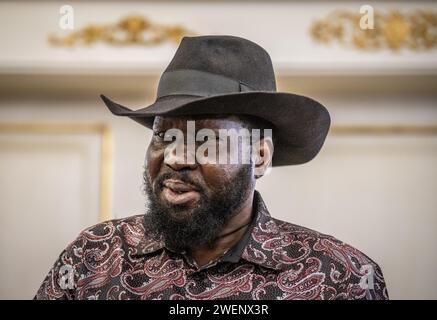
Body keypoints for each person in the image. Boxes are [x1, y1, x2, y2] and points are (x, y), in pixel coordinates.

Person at [35, 35, 388, 300]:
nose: (175, 158)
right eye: (163, 137)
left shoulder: (342, 276)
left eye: (206, 142)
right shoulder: (92, 256)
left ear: (260, 156)